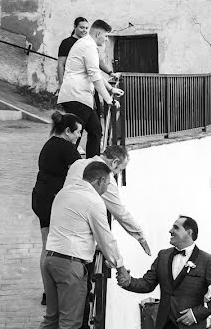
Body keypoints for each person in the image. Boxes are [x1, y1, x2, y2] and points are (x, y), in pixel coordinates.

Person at [24, 162, 126, 329]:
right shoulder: (93, 201)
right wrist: (120, 266)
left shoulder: (64, 192)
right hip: (70, 264)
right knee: (69, 323)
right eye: (108, 182)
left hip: (50, 258)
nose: (107, 187)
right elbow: (106, 238)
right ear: (99, 180)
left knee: (52, 317)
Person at [31, 111, 83, 306]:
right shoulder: (67, 148)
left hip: (40, 197)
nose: (79, 136)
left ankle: (48, 292)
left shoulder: (50, 144)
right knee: (55, 248)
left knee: (46, 247)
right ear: (68, 131)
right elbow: (81, 173)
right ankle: (54, 294)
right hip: (53, 201)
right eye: (77, 132)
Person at [65, 145, 150, 255]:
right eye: (120, 169)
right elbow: (120, 212)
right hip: (77, 241)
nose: (117, 174)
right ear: (114, 162)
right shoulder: (104, 177)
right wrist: (141, 237)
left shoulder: (78, 164)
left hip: (59, 229)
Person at [57, 19, 122, 159]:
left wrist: (110, 89)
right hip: (77, 96)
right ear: (98, 33)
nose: (105, 40)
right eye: (105, 36)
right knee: (75, 135)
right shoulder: (88, 45)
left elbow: (95, 72)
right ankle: (68, 166)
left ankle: (91, 165)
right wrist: (109, 100)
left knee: (95, 130)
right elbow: (94, 75)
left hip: (80, 97)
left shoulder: (86, 43)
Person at [57, 17, 89, 87]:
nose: (85, 30)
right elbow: (60, 64)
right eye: (82, 27)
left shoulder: (87, 43)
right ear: (75, 27)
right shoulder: (66, 43)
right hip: (71, 82)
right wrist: (61, 83)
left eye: (86, 28)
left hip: (86, 82)